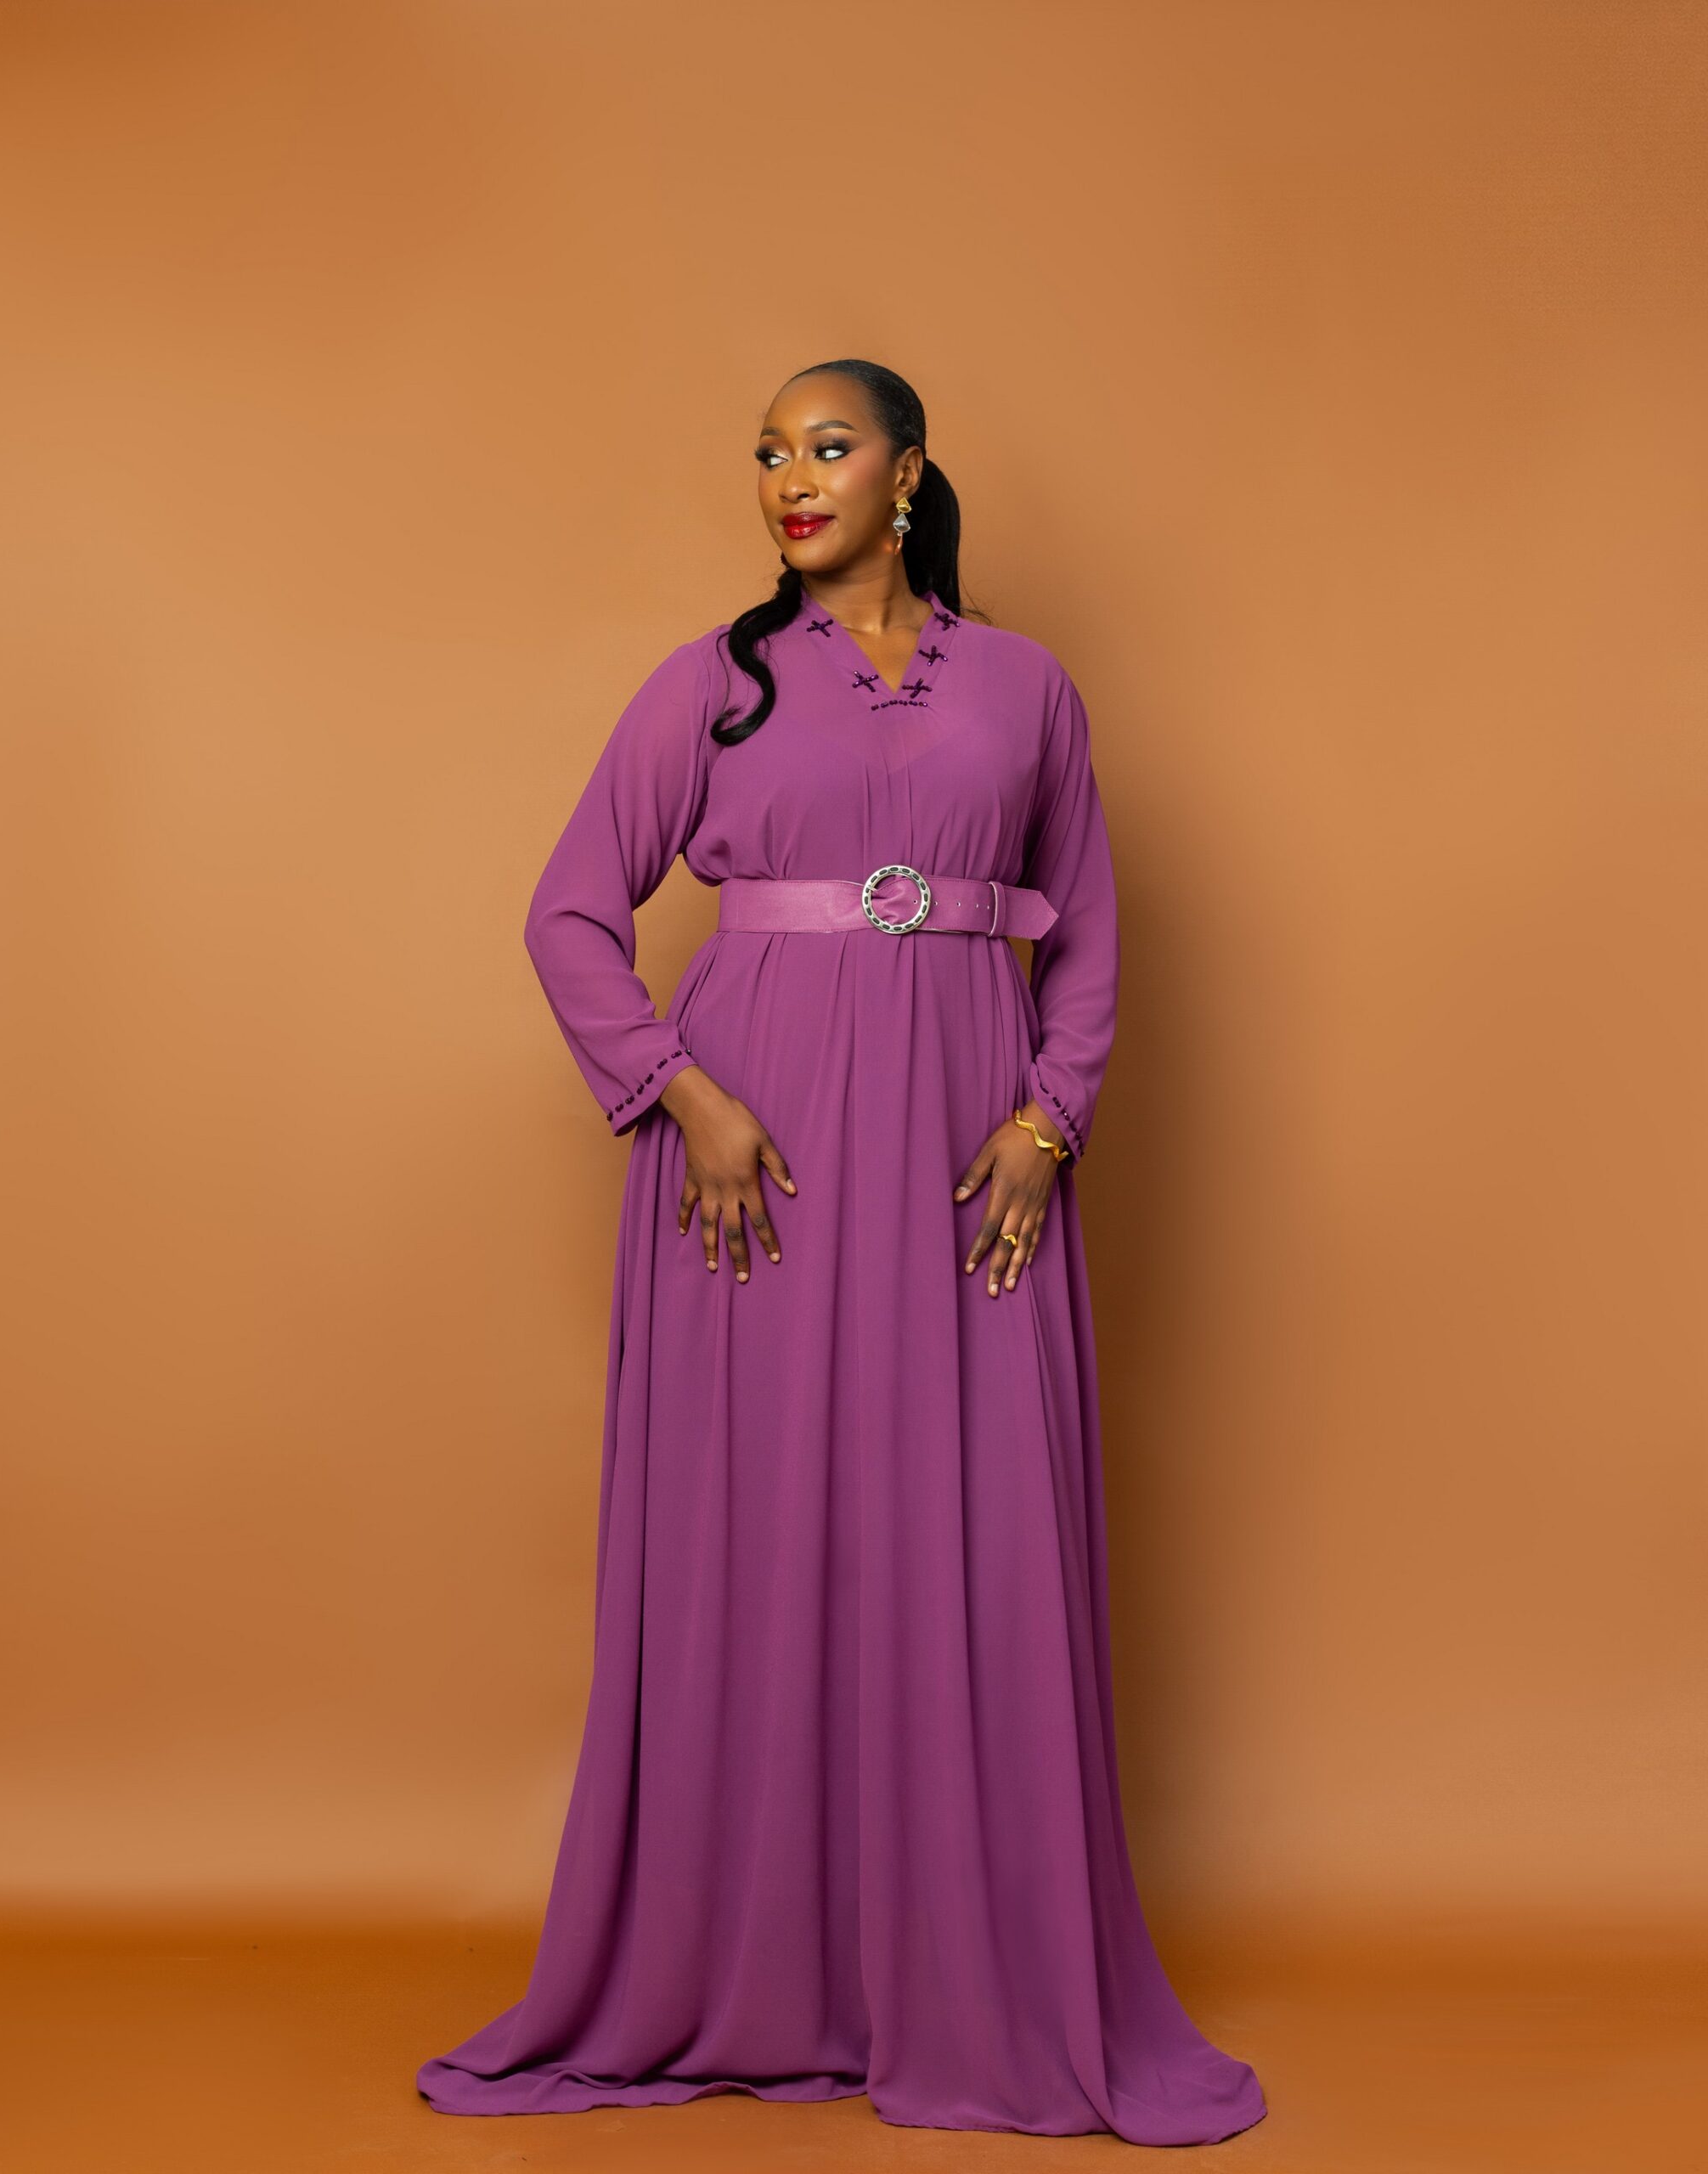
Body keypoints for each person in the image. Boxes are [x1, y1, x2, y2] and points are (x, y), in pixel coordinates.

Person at [415, 358, 1268, 2145]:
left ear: (908, 472)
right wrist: (681, 1094)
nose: (789, 477)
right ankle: (756, 1972)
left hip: (969, 1156)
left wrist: (1049, 1119)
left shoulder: (1027, 686)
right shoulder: (713, 686)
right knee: (761, 1526)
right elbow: (569, 911)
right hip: (761, 1158)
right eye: (766, 452)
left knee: (968, 1531)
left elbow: (1091, 932)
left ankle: (964, 1975)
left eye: (826, 445)